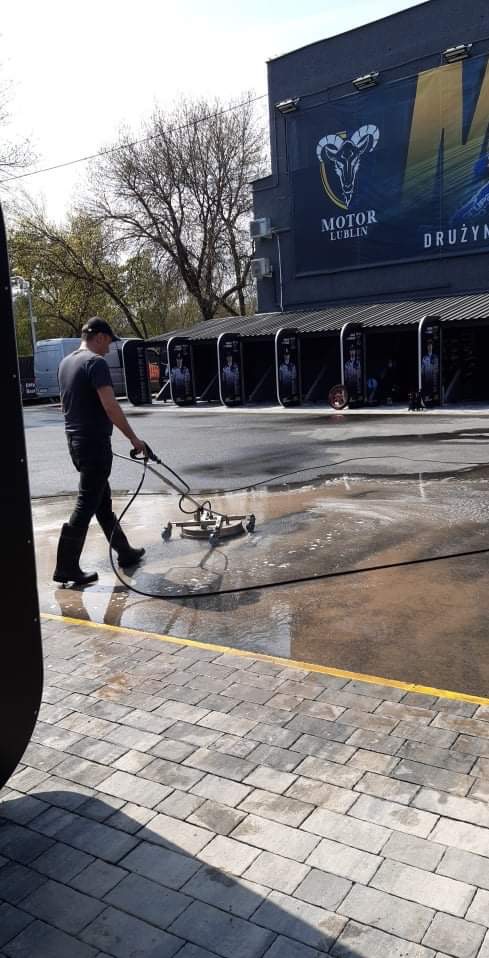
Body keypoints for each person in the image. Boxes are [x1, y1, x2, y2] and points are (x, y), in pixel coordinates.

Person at [53, 318, 147, 586]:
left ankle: (125, 552)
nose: (110, 348)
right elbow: (111, 406)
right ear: (100, 337)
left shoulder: (66, 363)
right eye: (110, 341)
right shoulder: (95, 363)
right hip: (94, 445)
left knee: (101, 502)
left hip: (76, 443)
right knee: (86, 504)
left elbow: (64, 406)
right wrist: (133, 439)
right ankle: (66, 567)